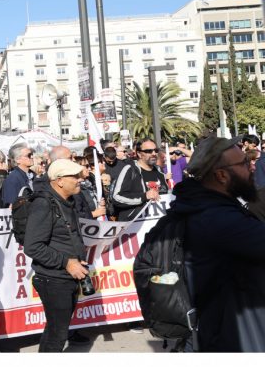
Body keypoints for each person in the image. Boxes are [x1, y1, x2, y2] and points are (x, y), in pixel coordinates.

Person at [167, 136, 265, 351]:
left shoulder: (203, 207)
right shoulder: (218, 218)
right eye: (243, 163)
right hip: (233, 335)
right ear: (221, 175)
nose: (252, 167)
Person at [24, 159, 89, 352]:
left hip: (66, 278)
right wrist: (67, 262)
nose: (80, 180)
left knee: (56, 331)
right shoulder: (43, 204)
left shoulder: (67, 201)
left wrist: (76, 256)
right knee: (57, 334)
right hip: (53, 280)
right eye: (74, 176)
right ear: (59, 181)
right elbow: (33, 246)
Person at [110, 138, 166, 221]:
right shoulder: (130, 169)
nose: (154, 154)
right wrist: (144, 196)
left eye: (156, 150)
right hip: (135, 224)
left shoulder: (159, 171)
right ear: (139, 154)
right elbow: (117, 198)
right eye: (149, 151)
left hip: (157, 223)